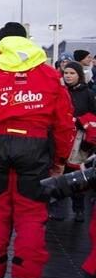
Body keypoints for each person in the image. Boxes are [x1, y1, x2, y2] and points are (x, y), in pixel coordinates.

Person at [0, 22, 75, 278]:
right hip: (36, 149)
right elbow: (64, 124)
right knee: (31, 215)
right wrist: (61, 160)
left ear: (1, 43)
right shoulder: (50, 76)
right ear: (27, 41)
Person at [49, 61, 95, 222]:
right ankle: (56, 208)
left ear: (79, 75)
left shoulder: (88, 94)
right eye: (66, 73)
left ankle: (79, 209)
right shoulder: (58, 92)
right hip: (59, 138)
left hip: (79, 140)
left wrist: (82, 122)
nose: (68, 76)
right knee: (58, 174)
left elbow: (94, 116)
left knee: (77, 175)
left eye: (72, 73)